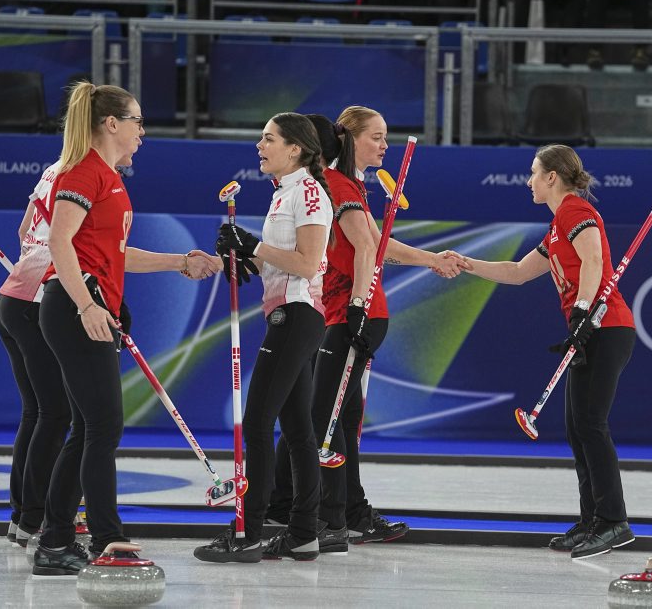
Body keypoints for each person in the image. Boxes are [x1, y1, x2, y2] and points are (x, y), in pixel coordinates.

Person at [32, 82, 220, 576]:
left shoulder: (109, 177)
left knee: (90, 429)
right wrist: (86, 306)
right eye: (137, 121)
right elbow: (59, 241)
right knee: (102, 426)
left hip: (90, 306)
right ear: (111, 123)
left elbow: (113, 255)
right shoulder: (83, 171)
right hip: (75, 309)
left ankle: (55, 541)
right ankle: (106, 537)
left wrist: (180, 261)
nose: (143, 132)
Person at [264, 109, 468, 552]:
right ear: (349, 138)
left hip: (350, 316)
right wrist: (430, 260)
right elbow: (374, 242)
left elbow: (368, 244)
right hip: (343, 313)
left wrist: (359, 304)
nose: (384, 145)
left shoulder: (341, 187)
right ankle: (334, 508)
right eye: (376, 136)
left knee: (321, 420)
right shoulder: (338, 186)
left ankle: (330, 518)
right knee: (335, 416)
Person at [463, 144, 637, 560]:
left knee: (592, 426)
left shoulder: (576, 212)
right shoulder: (558, 225)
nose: (529, 181)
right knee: (578, 430)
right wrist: (465, 263)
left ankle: (615, 522)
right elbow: (519, 273)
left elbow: (593, 260)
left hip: (605, 327)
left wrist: (581, 313)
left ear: (552, 177)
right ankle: (592, 519)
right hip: (587, 330)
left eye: (533, 173)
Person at [194, 112, 335, 563]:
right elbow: (272, 264)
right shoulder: (284, 195)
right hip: (287, 312)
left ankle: (247, 531)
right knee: (296, 430)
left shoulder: (310, 193)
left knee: (256, 424)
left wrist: (252, 245)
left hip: (297, 315)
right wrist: (238, 254)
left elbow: (309, 264)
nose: (260, 145)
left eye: (268, 138)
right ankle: (304, 533)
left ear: (295, 148)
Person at [0, 161, 71, 548]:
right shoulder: (81, 172)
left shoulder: (54, 167)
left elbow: (25, 229)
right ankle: (35, 518)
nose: (140, 133)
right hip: (35, 303)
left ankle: (22, 517)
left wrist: (32, 258)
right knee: (56, 412)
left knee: (39, 411)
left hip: (12, 299)